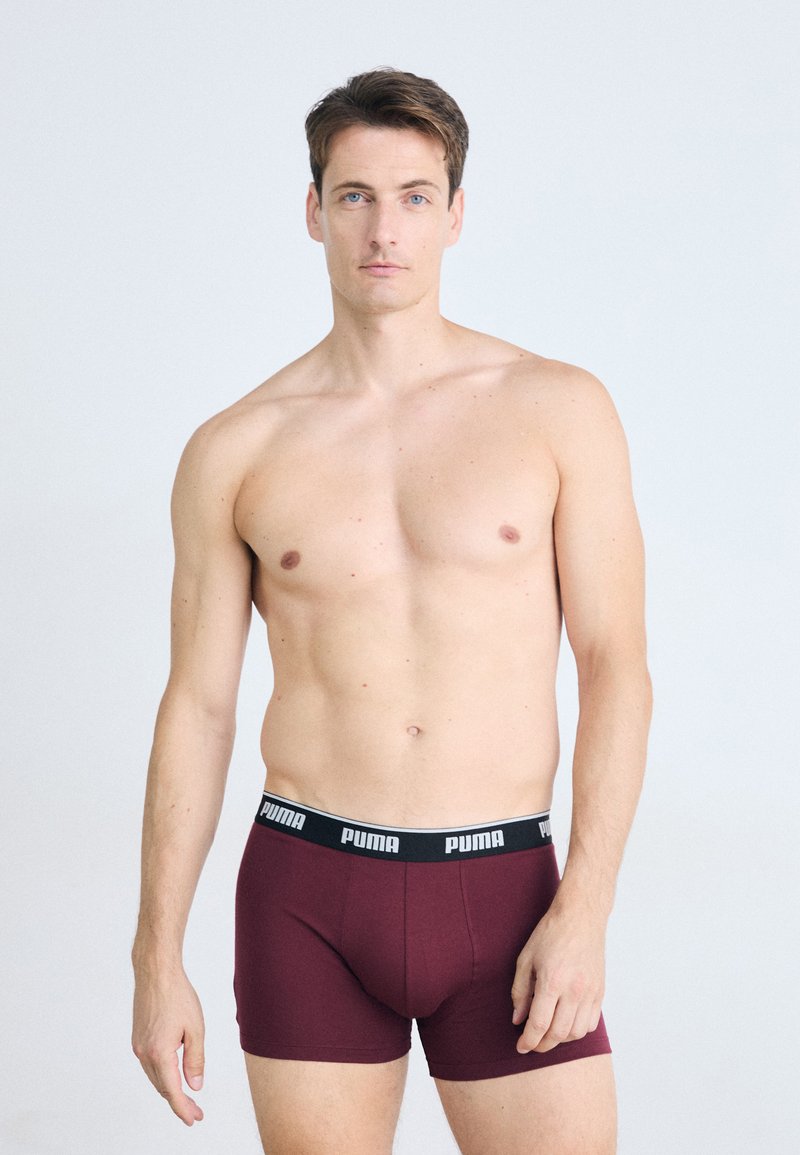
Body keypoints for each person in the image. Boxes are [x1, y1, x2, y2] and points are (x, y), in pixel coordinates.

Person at [131, 66, 652, 1155]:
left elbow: (615, 665)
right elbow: (198, 706)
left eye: (414, 197)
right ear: (313, 210)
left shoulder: (557, 410)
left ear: (455, 215)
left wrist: (587, 905)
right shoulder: (235, 448)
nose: (384, 229)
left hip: (506, 889)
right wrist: (156, 953)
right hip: (307, 894)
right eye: (356, 196)